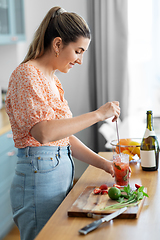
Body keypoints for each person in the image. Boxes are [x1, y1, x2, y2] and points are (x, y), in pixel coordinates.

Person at [5, 6, 120, 240]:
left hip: (56, 175)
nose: (80, 60)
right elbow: (44, 133)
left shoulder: (53, 81)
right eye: (78, 51)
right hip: (38, 179)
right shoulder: (27, 74)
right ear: (57, 44)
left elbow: (62, 137)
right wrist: (98, 114)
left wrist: (104, 164)